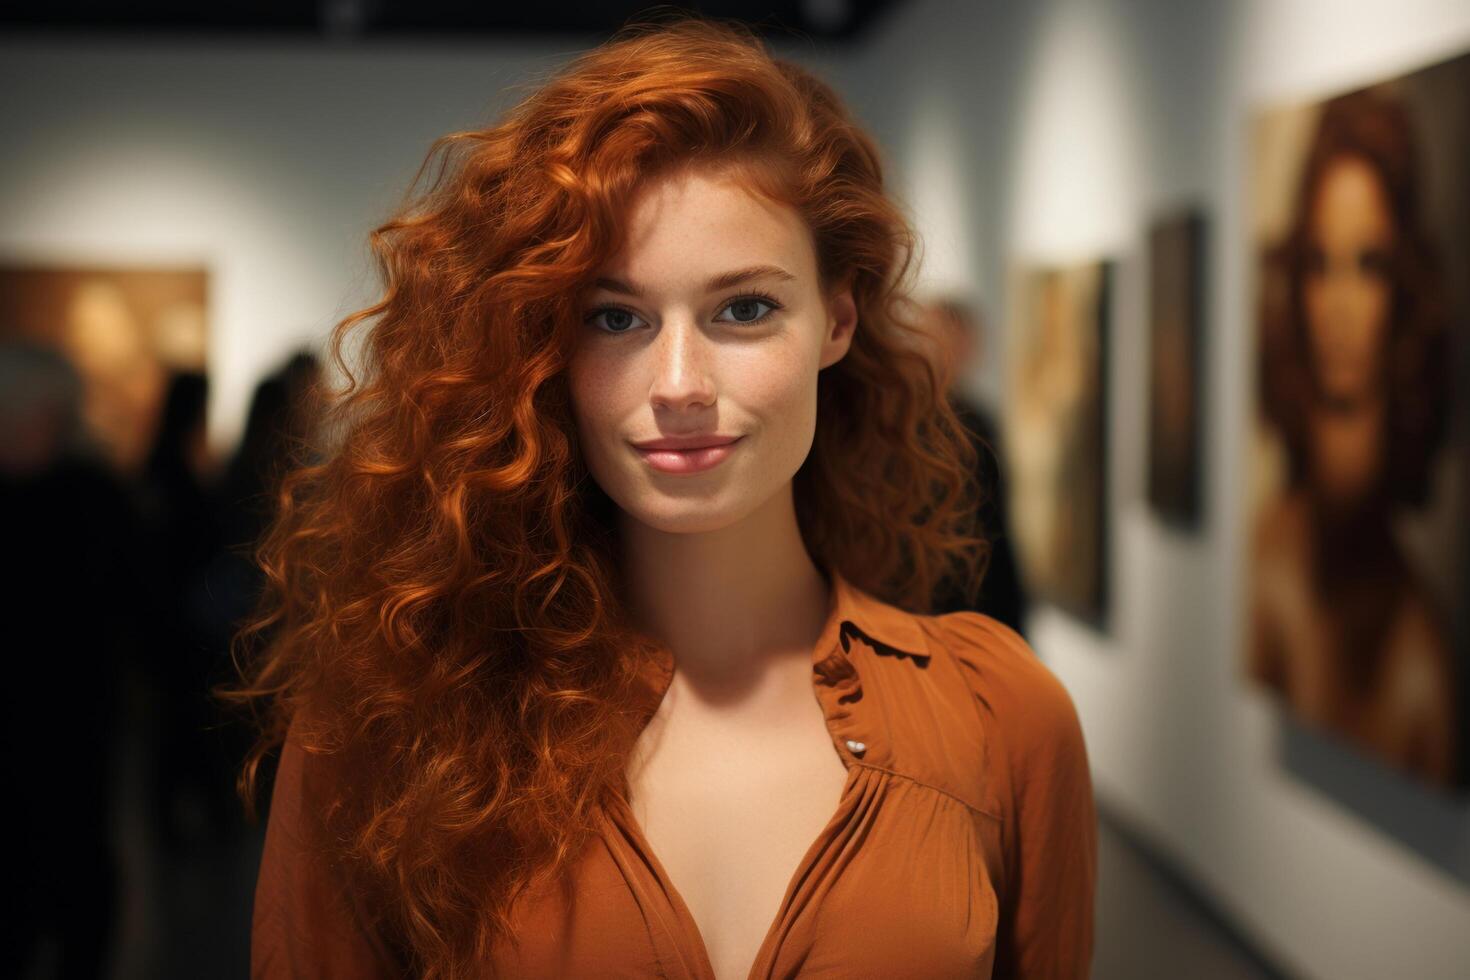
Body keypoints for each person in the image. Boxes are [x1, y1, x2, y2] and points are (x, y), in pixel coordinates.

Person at [228, 17, 1096, 979]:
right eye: (616, 317)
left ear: (837, 320)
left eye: (745, 309)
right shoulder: (392, 723)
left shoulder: (1002, 718)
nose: (679, 382)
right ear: (543, 345)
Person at [1250, 87, 1457, 788]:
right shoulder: (1265, 555)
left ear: (1402, 288)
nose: (1338, 307)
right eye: (1319, 265)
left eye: (1368, 266)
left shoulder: (1422, 667)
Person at [917, 296, 1030, 636]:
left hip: (979, 593)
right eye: (939, 337)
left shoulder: (979, 420)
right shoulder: (905, 422)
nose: (952, 350)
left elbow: (994, 521)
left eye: (960, 339)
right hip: (927, 599)